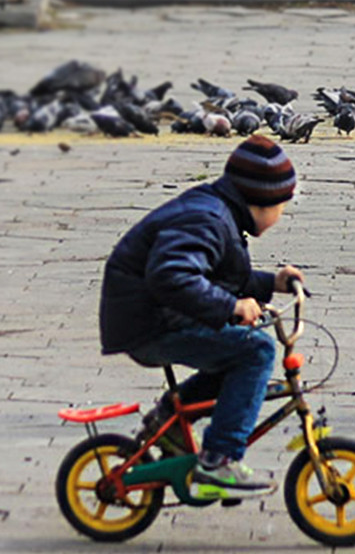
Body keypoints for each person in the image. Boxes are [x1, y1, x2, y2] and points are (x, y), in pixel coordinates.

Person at [99, 135, 304, 495]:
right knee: (256, 351)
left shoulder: (218, 212)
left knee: (236, 353)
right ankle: (219, 459)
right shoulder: (207, 219)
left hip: (158, 314)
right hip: (151, 323)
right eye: (283, 206)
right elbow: (171, 275)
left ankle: (172, 417)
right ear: (262, 200)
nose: (281, 215)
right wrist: (231, 306)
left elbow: (221, 275)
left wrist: (273, 283)